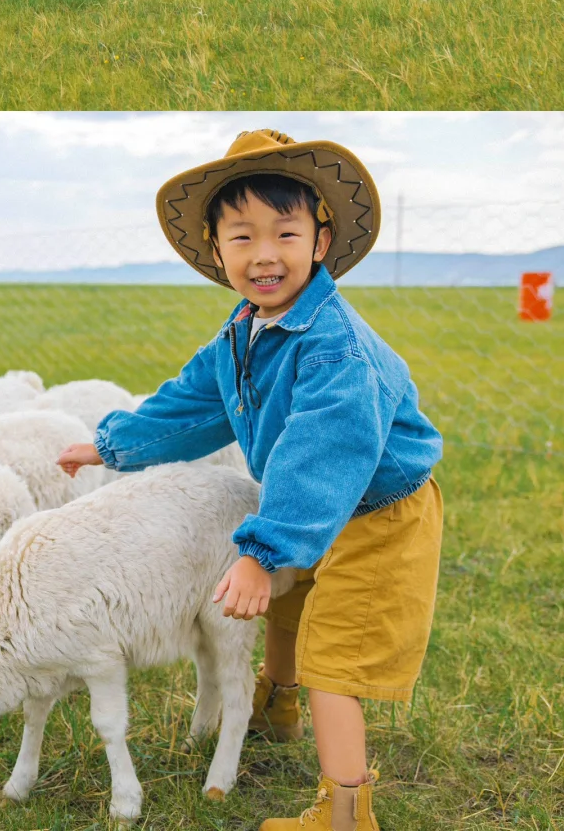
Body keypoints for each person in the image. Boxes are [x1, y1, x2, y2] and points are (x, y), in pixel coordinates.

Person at [58, 130, 444, 831]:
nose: (264, 254)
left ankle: (347, 811)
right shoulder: (244, 332)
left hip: (378, 513)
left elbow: (318, 455)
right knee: (288, 614)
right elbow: (193, 404)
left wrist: (262, 551)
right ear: (216, 251)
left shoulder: (336, 348)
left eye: (285, 233)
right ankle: (277, 705)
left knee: (335, 652)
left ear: (320, 243)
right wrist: (111, 444)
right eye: (242, 236)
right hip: (313, 505)